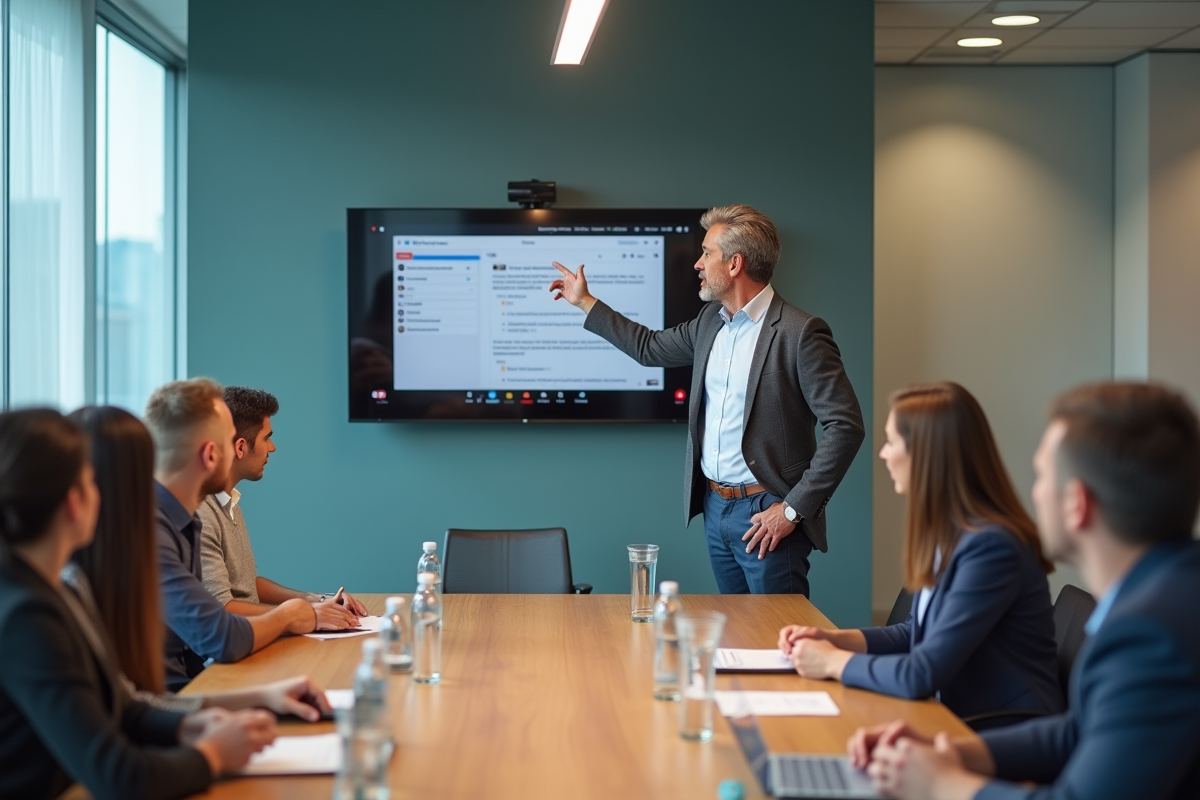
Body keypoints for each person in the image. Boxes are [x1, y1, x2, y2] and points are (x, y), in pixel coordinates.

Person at [853, 381, 1200, 800]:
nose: (1032, 492)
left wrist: (943, 784)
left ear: (1077, 504)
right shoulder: (1165, 594)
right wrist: (948, 751)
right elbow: (1078, 731)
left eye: (1041, 476)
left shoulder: (1149, 635)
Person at [550, 205, 864, 595]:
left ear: (735, 264)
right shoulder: (708, 323)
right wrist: (585, 302)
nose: (698, 263)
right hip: (716, 509)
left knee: (772, 646)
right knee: (735, 638)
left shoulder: (799, 333)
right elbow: (649, 348)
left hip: (766, 513)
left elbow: (845, 426)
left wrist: (791, 510)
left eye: (706, 253)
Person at [0, 408, 275, 800]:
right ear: (74, 503)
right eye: (91, 483)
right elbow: (119, 776)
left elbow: (124, 704)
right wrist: (212, 755)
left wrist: (187, 726)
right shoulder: (26, 616)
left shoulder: (66, 585)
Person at [777, 383, 1063, 724]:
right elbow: (915, 632)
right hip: (953, 716)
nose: (883, 453)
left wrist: (830, 661)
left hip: (1002, 729)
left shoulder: (993, 547)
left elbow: (920, 673)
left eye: (892, 442)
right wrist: (833, 640)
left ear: (927, 454)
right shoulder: (949, 532)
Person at [67, 404, 334, 720]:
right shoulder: (150, 529)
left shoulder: (176, 522)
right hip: (175, 693)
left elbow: (131, 704)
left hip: (174, 698)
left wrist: (260, 697)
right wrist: (290, 615)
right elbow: (216, 635)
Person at [144, 378, 352, 692]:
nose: (238, 450)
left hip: (187, 687)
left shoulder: (185, 517)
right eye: (230, 441)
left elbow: (237, 592)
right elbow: (219, 632)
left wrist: (313, 602)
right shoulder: (163, 526)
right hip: (180, 688)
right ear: (212, 454)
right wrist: (295, 615)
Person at [197, 386, 367, 620]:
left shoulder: (228, 502)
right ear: (240, 447)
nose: (272, 447)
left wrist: (320, 600)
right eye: (266, 438)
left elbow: (247, 586)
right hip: (225, 653)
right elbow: (222, 608)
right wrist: (307, 614)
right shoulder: (201, 514)